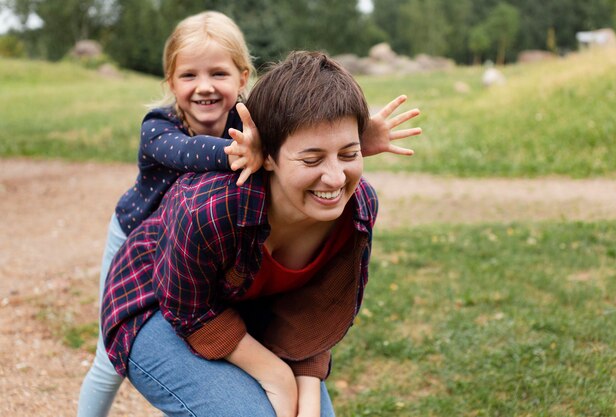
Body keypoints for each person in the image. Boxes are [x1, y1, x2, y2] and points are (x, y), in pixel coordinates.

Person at [100, 50, 420, 417]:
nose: (334, 179)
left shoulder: (357, 209)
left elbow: (317, 310)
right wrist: (276, 376)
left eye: (349, 154)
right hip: (156, 304)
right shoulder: (205, 207)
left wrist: (307, 392)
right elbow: (189, 310)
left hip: (247, 308)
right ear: (267, 155)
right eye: (312, 160)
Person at [77, 11, 262, 417]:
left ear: (243, 78)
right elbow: (186, 154)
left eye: (219, 73)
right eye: (189, 76)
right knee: (109, 361)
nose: (205, 87)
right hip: (133, 244)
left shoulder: (250, 124)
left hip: (190, 250)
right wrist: (243, 152)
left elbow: (299, 137)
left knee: (188, 344)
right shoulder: (158, 126)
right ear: (170, 83)